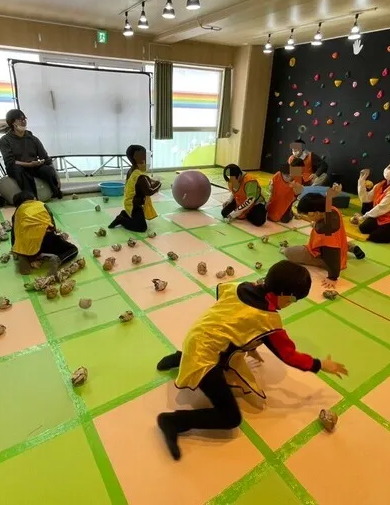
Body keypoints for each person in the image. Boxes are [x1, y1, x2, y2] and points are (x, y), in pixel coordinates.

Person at [155, 261, 348, 460]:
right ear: (284, 295)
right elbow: (289, 356)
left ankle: (181, 356)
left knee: (208, 347)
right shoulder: (267, 319)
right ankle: (173, 421)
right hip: (205, 358)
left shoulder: (243, 286)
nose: (289, 305)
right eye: (292, 301)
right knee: (230, 418)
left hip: (195, 337)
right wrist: (321, 364)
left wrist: (248, 344)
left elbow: (224, 301)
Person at [284, 185, 365, 289]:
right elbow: (327, 200)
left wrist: (332, 277)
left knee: (289, 252)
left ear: (317, 213)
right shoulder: (331, 209)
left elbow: (332, 254)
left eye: (308, 215)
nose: (307, 217)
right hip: (339, 243)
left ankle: (346, 252)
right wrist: (331, 194)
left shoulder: (326, 233)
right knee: (336, 242)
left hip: (328, 255)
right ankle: (351, 247)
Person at [0, 109, 63, 199]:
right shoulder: (5, 140)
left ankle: (55, 191)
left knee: (47, 170)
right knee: (18, 170)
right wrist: (28, 164)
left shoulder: (33, 138)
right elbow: (10, 161)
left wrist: (57, 176)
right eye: (20, 120)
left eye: (24, 119)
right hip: (17, 167)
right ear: (13, 122)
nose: (23, 122)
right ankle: (31, 198)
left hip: (33, 166)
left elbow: (45, 158)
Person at [10, 192, 78, 275]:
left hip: (25, 245)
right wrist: (56, 235)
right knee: (73, 249)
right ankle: (58, 259)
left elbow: (14, 232)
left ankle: (28, 256)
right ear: (34, 199)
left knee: (25, 245)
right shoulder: (41, 205)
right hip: (45, 239)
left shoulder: (18, 212)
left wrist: (15, 249)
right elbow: (51, 223)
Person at [355, 160, 390, 243]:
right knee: (363, 228)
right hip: (383, 216)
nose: (389, 170)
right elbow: (365, 199)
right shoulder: (381, 184)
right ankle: (384, 229)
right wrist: (361, 180)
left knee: (375, 237)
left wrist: (363, 217)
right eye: (389, 167)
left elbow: (380, 208)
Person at [108, 144, 161, 233]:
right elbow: (149, 191)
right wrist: (159, 184)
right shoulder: (141, 177)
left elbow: (140, 182)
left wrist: (150, 181)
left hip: (129, 202)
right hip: (135, 205)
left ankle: (124, 214)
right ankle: (121, 219)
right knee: (141, 227)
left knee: (138, 218)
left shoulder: (132, 170)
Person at [266, 158, 304, 223]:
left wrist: (294, 186)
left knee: (284, 220)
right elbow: (271, 186)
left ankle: (290, 212)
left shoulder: (298, 177)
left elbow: (297, 193)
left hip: (288, 199)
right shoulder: (279, 174)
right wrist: (271, 187)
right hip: (276, 197)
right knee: (268, 214)